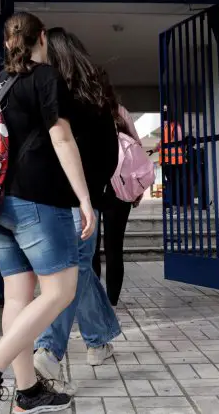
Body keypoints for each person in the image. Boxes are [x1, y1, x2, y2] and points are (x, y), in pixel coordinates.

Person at [0, 12, 95, 414]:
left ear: (6, 43)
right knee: (61, 291)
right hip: (36, 199)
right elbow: (62, 136)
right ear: (41, 38)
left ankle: (29, 390)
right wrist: (84, 198)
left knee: (18, 296)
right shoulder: (45, 77)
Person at [33, 28, 122, 395]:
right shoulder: (97, 94)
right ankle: (99, 339)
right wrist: (97, 191)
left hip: (64, 200)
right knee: (78, 271)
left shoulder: (54, 95)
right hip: (88, 199)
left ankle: (49, 351)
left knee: (68, 276)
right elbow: (111, 151)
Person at [91, 70, 142, 307]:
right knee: (114, 248)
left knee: (89, 249)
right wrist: (136, 189)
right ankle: (111, 302)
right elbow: (137, 152)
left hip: (91, 187)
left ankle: (94, 301)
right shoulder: (121, 113)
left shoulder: (83, 109)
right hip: (119, 189)